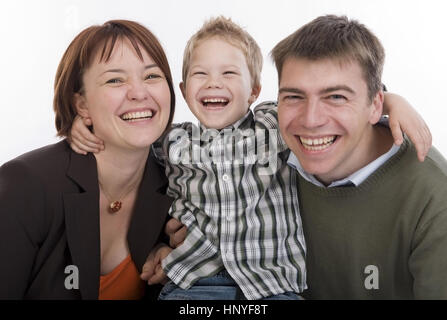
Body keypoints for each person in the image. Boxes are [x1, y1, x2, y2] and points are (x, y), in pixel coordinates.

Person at [70, 17, 433, 300]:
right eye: (200, 74)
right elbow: (128, 141)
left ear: (255, 90)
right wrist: (84, 126)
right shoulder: (171, 140)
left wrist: (390, 101)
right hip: (197, 280)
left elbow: (333, 108)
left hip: (273, 284)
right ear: (183, 91)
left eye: (229, 73)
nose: (213, 83)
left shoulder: (274, 123)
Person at [272, 15, 447, 299]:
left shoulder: (433, 198)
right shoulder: (261, 157)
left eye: (336, 97)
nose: (311, 120)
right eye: (293, 97)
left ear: (375, 105)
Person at [0, 20, 175, 299]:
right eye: (115, 79)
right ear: (81, 104)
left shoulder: (180, 182)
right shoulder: (25, 185)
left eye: (152, 76)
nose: (139, 92)